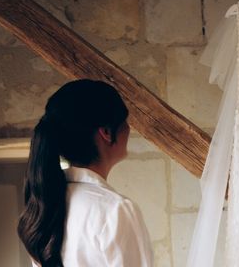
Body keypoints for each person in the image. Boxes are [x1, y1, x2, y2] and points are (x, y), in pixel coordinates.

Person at [17, 79, 154, 267]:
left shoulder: (46, 208)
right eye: (125, 122)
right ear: (106, 132)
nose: (129, 130)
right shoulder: (115, 210)